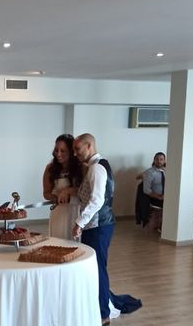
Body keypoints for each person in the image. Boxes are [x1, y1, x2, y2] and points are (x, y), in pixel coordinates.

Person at [71, 134, 115, 326]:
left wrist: (80, 222)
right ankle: (97, 309)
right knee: (95, 268)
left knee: (98, 269)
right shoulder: (98, 165)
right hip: (99, 225)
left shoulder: (96, 168)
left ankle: (103, 314)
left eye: (77, 149)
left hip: (98, 226)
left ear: (89, 146)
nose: (75, 153)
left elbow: (97, 200)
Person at [42, 134, 83, 240]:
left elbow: (86, 191)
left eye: (63, 151)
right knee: (58, 243)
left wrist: (68, 191)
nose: (58, 154)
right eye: (56, 150)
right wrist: (55, 197)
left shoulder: (81, 167)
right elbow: (46, 193)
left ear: (71, 151)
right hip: (59, 212)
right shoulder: (50, 168)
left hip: (76, 212)